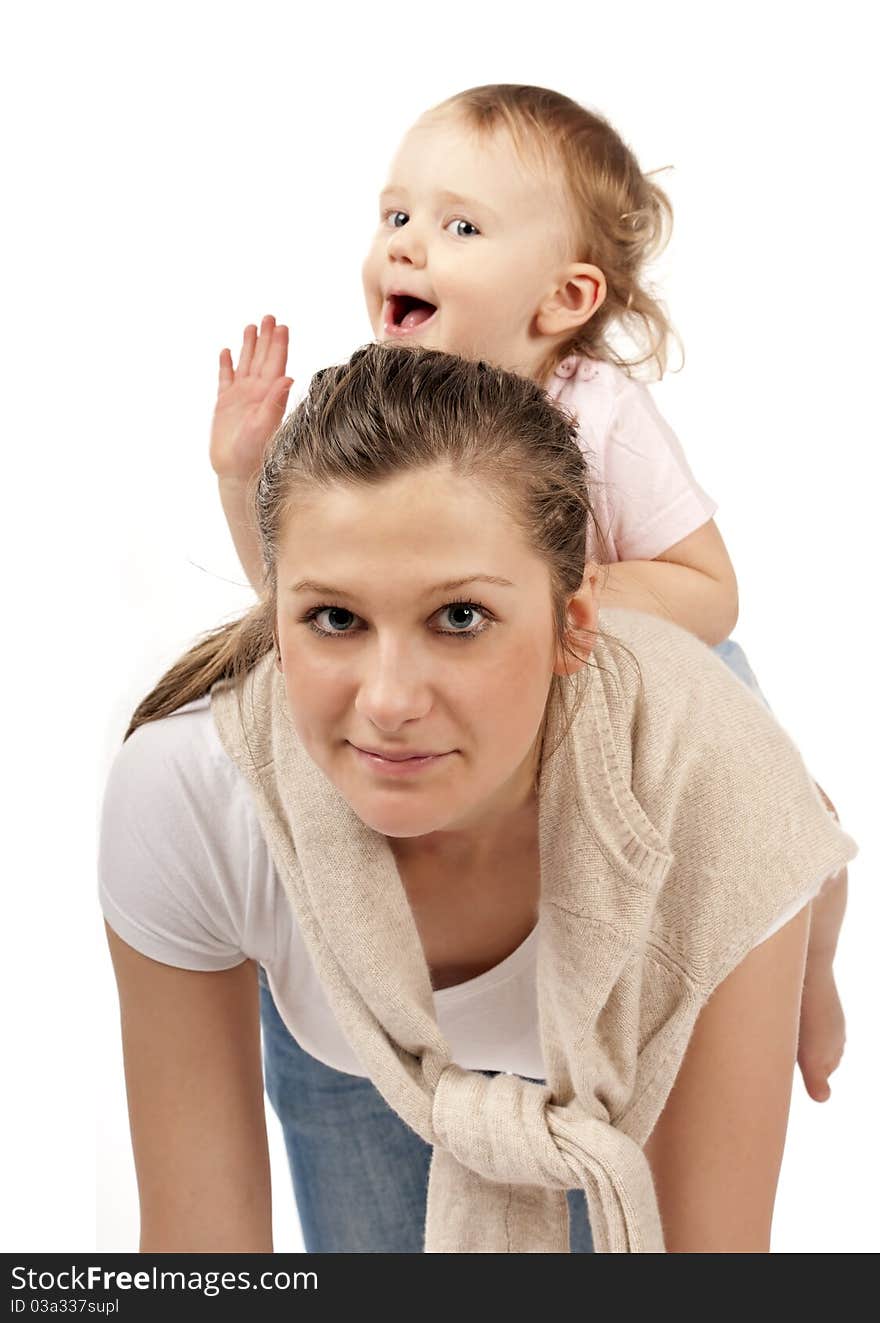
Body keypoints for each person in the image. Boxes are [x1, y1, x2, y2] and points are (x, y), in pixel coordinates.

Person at [101, 343, 856, 1253]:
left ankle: (820, 922)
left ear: (571, 627)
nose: (386, 702)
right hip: (353, 1038)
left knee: (790, 854)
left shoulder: (721, 800)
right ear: (277, 614)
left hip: (666, 919)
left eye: (459, 617)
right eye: (334, 617)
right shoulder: (191, 796)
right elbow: (199, 1265)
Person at [208, 85, 849, 1120]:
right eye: (395, 215)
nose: (407, 245)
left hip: (639, 661)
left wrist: (567, 595)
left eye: (458, 225)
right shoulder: (384, 415)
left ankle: (800, 976)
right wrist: (241, 476)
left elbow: (709, 591)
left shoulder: (597, 413)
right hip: (492, 695)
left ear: (561, 301)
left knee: (782, 829)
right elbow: (293, 601)